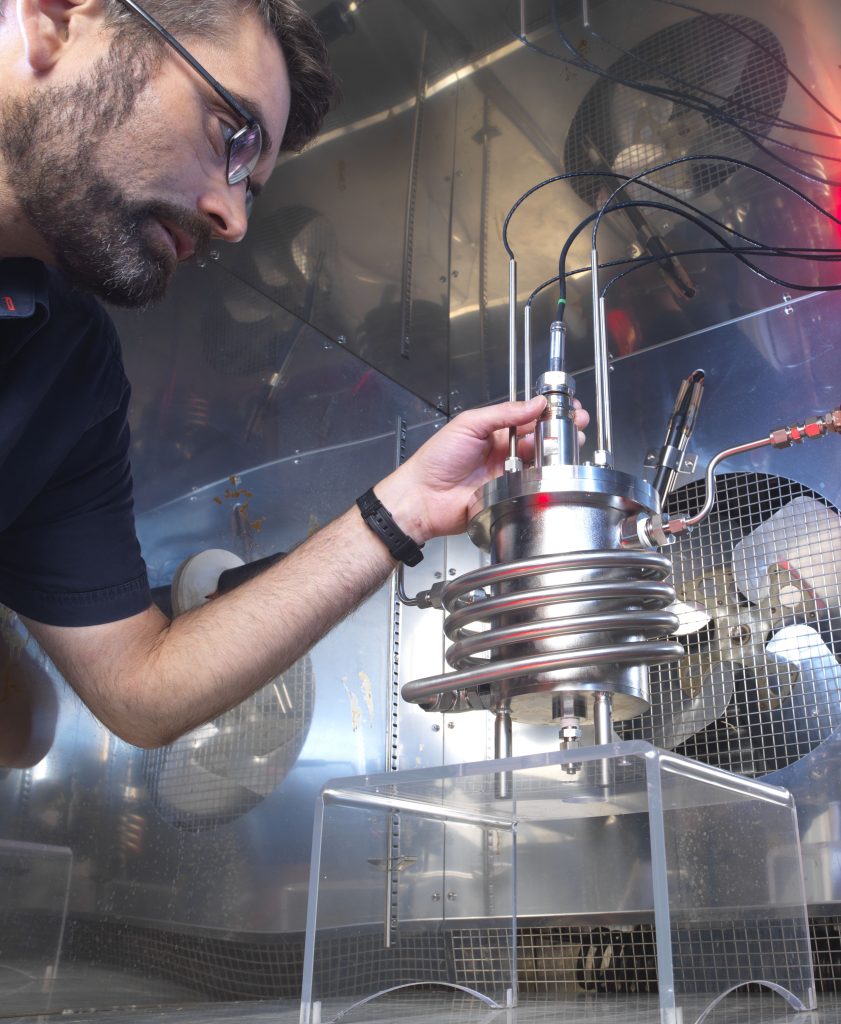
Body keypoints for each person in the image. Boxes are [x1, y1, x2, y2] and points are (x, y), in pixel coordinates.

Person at [0, 0, 587, 750]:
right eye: (229, 138)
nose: (235, 221)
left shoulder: (68, 374)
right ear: (54, 18)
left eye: (252, 186)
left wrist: (405, 509)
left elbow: (138, 687)